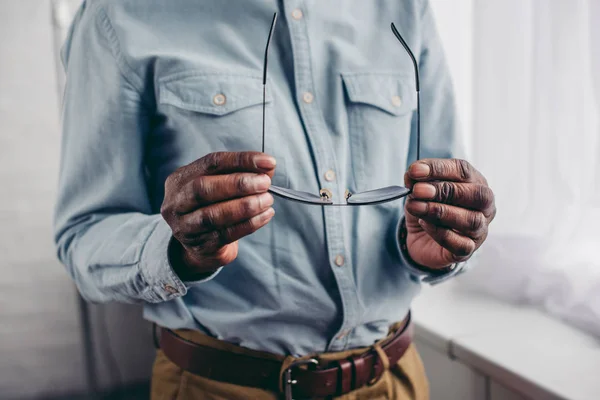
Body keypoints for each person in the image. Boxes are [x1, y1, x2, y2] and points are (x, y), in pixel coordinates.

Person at [54, 1, 496, 399]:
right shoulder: (119, 14)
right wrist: (179, 248)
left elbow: (450, 191)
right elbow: (83, 236)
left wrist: (434, 240)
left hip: (395, 381)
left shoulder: (405, 8)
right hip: (217, 388)